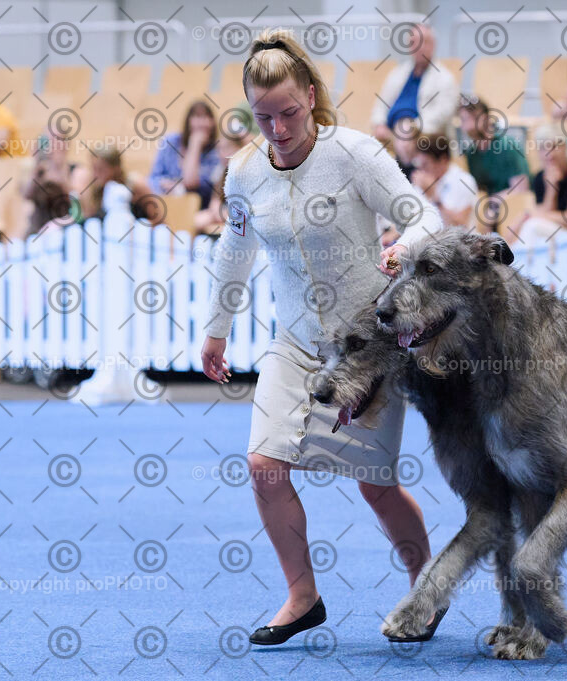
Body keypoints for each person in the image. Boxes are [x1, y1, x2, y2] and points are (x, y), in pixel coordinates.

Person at [199, 28, 444, 647]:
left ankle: (427, 586)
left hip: (368, 349)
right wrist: (215, 333)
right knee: (263, 466)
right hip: (295, 342)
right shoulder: (245, 172)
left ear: (310, 95)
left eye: (288, 112)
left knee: (376, 486)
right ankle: (302, 596)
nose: (277, 128)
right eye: (263, 117)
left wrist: (406, 245)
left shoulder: (355, 153)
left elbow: (423, 216)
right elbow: (234, 253)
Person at [371, 23, 459, 142]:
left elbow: (440, 117)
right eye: (413, 43)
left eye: (423, 42)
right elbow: (381, 104)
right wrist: (379, 124)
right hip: (388, 137)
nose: (418, 47)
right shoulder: (398, 72)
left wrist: (411, 129)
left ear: (433, 45)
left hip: (423, 140)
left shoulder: (445, 79)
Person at [147, 100, 221, 209]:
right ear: (188, 121)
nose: (201, 122)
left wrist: (195, 144)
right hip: (164, 203)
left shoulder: (216, 153)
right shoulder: (170, 141)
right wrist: (163, 183)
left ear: (212, 123)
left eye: (206, 117)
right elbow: (153, 178)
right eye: (197, 116)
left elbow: (191, 183)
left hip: (195, 209)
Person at [458, 96, 530, 196]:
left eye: (472, 117)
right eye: (464, 119)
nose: (468, 125)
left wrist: (495, 200)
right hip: (486, 207)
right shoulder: (471, 154)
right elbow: (478, 191)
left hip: (513, 206)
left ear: (486, 118)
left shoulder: (508, 146)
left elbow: (521, 189)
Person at [409, 134, 478, 228]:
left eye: (425, 165)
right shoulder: (422, 181)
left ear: (443, 160)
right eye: (419, 165)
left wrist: (434, 196)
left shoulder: (465, 182)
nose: (422, 171)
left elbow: (460, 226)